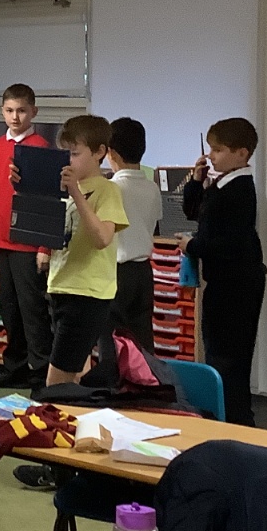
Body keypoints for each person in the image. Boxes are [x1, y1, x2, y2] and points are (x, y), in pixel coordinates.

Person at [179, 117, 267, 427]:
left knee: (229, 358)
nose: (211, 156)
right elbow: (194, 212)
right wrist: (196, 181)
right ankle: (226, 414)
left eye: (218, 150)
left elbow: (225, 243)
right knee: (219, 352)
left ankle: (235, 418)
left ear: (242, 153)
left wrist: (192, 246)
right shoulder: (222, 184)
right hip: (224, 280)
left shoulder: (239, 189)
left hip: (237, 284)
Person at [0, 84, 52, 389]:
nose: (15, 117)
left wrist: (44, 246)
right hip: (2, 240)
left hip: (28, 245)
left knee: (33, 310)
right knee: (10, 309)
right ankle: (14, 366)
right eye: (9, 111)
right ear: (2, 112)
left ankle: (40, 370)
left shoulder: (40, 147)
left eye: (22, 111)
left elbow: (47, 201)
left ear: (34, 112)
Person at [31, 115, 127, 387]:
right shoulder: (64, 187)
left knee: (55, 382)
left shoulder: (107, 190)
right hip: (61, 285)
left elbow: (102, 238)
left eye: (74, 153)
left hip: (87, 292)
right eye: (65, 153)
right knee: (76, 373)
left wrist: (75, 192)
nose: (68, 160)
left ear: (99, 152)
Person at [99, 117, 162, 360]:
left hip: (116, 271)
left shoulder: (111, 188)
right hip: (143, 272)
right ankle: (146, 380)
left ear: (111, 153)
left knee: (111, 340)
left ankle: (114, 380)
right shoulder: (152, 188)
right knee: (143, 341)